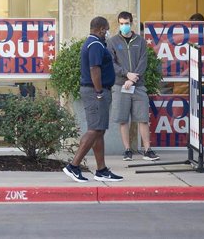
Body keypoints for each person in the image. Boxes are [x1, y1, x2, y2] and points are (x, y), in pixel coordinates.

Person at [63, 16, 123, 183]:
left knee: (99, 130)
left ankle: (101, 170)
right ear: (101, 29)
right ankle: (73, 166)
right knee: (95, 129)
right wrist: (98, 92)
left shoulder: (92, 42)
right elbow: (94, 69)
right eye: (107, 29)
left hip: (95, 91)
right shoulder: (95, 44)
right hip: (95, 91)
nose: (108, 33)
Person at [107, 11, 160, 162]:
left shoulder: (140, 41)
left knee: (143, 118)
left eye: (127, 23)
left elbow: (143, 62)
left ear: (131, 23)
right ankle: (127, 150)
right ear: (119, 24)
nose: (124, 26)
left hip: (138, 85)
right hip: (120, 85)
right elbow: (111, 63)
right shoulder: (112, 42)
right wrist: (125, 74)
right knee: (123, 120)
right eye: (122, 23)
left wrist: (133, 79)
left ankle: (147, 150)